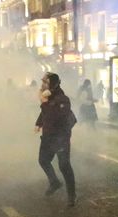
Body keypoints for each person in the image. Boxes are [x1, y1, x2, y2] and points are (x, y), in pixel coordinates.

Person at [35, 72, 77, 206]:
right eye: (43, 82)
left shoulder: (62, 99)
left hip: (60, 137)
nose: (43, 85)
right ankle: (54, 182)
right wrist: (38, 123)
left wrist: (44, 103)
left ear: (52, 84)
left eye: (46, 83)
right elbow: (45, 114)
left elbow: (55, 117)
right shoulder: (50, 97)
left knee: (64, 165)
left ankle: (72, 195)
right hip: (48, 136)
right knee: (43, 160)